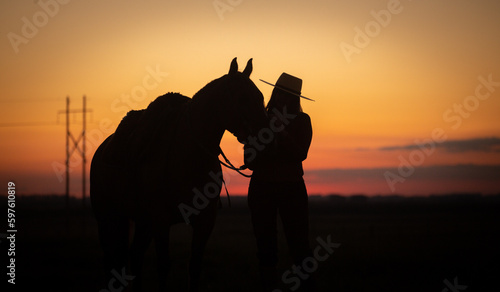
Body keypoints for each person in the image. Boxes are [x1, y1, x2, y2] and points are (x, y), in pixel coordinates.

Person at [245, 73, 316, 291]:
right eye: (280, 94)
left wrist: (281, 134)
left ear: (295, 100)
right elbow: (249, 160)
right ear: (275, 94)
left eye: (288, 96)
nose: (282, 99)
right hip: (262, 188)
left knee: (299, 243)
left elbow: (300, 153)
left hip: (290, 188)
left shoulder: (303, 121)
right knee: (265, 245)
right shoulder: (259, 120)